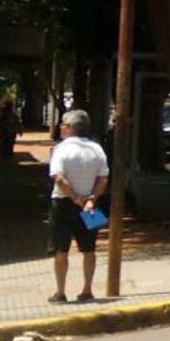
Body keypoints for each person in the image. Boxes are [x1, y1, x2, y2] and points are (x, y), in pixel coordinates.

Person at [48, 110, 109, 303]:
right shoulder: (96, 149)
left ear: (71, 128)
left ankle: (60, 292)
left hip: (63, 202)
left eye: (63, 124)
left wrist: (74, 197)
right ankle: (87, 290)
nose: (60, 127)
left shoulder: (61, 149)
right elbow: (103, 177)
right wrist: (91, 198)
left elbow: (58, 177)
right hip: (90, 205)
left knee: (60, 249)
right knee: (89, 249)